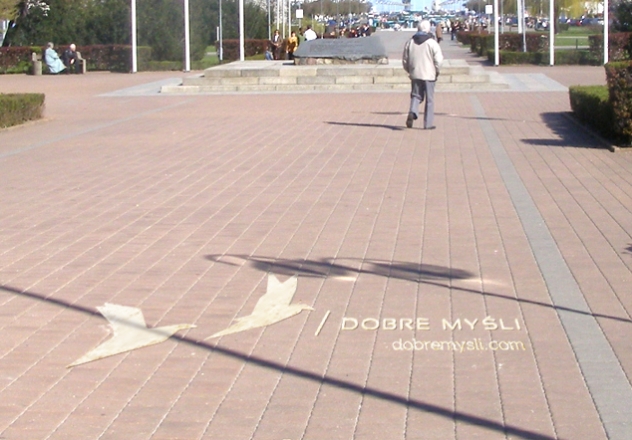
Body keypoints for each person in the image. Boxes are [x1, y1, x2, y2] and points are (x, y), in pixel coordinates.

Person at [402, 20, 443, 130]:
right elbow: (438, 60)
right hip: (429, 74)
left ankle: (413, 111)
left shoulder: (410, 42)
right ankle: (428, 123)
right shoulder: (432, 43)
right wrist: (437, 70)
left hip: (415, 73)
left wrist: (409, 70)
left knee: (416, 95)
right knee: (429, 99)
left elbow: (405, 59)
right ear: (428, 29)